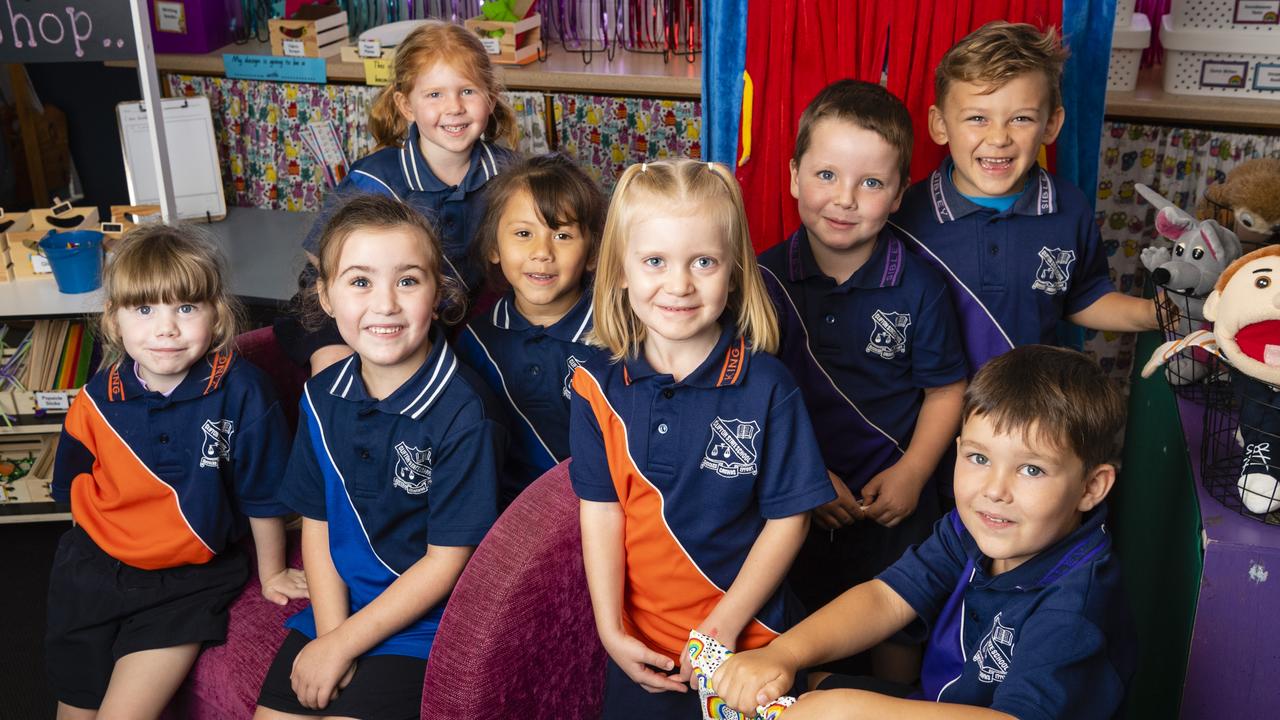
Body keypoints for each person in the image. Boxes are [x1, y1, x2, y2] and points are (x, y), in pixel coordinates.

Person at [712, 345, 1136, 720]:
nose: (994, 491)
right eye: (979, 458)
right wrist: (783, 653)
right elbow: (886, 598)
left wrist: (849, 710)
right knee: (799, 683)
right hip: (938, 704)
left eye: (1031, 469)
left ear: (1091, 487)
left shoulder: (1075, 608)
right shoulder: (971, 529)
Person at [569, 159, 837, 718]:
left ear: (735, 270)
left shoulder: (767, 385)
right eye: (654, 261)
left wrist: (721, 628)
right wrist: (610, 629)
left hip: (750, 641)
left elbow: (790, 519)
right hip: (643, 650)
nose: (679, 284)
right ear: (620, 268)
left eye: (704, 262)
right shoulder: (595, 383)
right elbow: (602, 512)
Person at [255, 195, 503, 720]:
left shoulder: (464, 412)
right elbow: (317, 526)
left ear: (439, 294)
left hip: (423, 628)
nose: (385, 303)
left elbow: (445, 563)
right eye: (360, 281)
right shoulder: (321, 397)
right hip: (337, 613)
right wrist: (330, 636)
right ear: (325, 296)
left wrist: (344, 647)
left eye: (408, 281)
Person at [46, 225, 306, 719]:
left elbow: (264, 495)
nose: (166, 328)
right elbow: (76, 492)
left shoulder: (245, 391)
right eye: (144, 310)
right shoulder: (95, 399)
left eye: (185, 308)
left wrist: (272, 575)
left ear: (217, 314)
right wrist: (90, 572)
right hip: (92, 576)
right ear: (114, 320)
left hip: (186, 586)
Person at [758, 79, 968, 682]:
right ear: (795, 175)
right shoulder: (761, 280)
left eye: (870, 183)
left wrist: (913, 473)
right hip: (797, 496)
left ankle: (893, 701)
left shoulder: (920, 287)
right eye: (826, 175)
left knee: (900, 622)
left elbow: (945, 390)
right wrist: (802, 478)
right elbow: (749, 401)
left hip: (892, 501)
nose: (844, 198)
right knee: (798, 626)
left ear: (900, 193)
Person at [891, 21, 1157, 374]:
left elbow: (1084, 298)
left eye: (1020, 118)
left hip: (1029, 413)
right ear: (940, 125)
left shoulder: (1069, 209)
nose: (999, 138)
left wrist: (1156, 314)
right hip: (928, 412)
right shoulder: (904, 215)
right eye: (977, 118)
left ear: (1050, 125)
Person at [276, 20, 520, 376]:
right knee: (339, 371)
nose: (454, 107)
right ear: (406, 106)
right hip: (351, 306)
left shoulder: (507, 172)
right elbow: (319, 258)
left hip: (439, 309)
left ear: (491, 98)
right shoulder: (377, 178)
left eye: (467, 91)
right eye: (434, 94)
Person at [455, 153, 607, 504]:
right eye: (524, 233)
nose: (542, 252)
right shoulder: (476, 340)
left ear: (593, 253)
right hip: (503, 513)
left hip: (595, 508)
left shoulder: (615, 337)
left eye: (563, 235)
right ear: (494, 246)